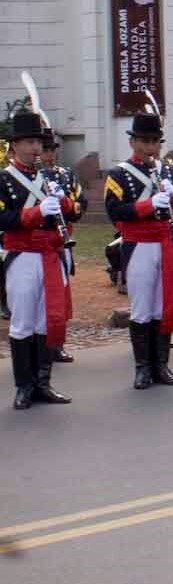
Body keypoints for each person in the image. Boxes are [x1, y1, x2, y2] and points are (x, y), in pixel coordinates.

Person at [104, 112, 173, 389]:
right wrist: (149, 204)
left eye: (155, 141)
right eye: (144, 141)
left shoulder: (169, 172)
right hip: (139, 245)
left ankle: (161, 366)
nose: (150, 147)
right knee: (142, 308)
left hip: (167, 244)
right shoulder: (119, 174)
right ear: (133, 143)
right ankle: (143, 368)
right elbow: (114, 211)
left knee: (162, 307)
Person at [1, 110, 74, 409]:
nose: (35, 149)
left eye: (39, 144)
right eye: (29, 142)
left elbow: (74, 213)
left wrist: (64, 202)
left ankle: (43, 383)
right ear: (15, 145)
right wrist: (35, 212)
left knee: (46, 320)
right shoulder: (4, 179)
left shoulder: (51, 177)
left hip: (51, 255)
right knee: (23, 322)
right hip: (23, 256)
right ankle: (24, 386)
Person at [39, 127, 86, 362]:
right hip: (35, 243)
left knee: (61, 294)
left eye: (51, 149)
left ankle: (56, 344)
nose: (49, 155)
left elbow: (80, 207)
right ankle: (38, 346)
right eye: (45, 149)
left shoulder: (66, 176)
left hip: (61, 240)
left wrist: (65, 202)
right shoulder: (26, 176)